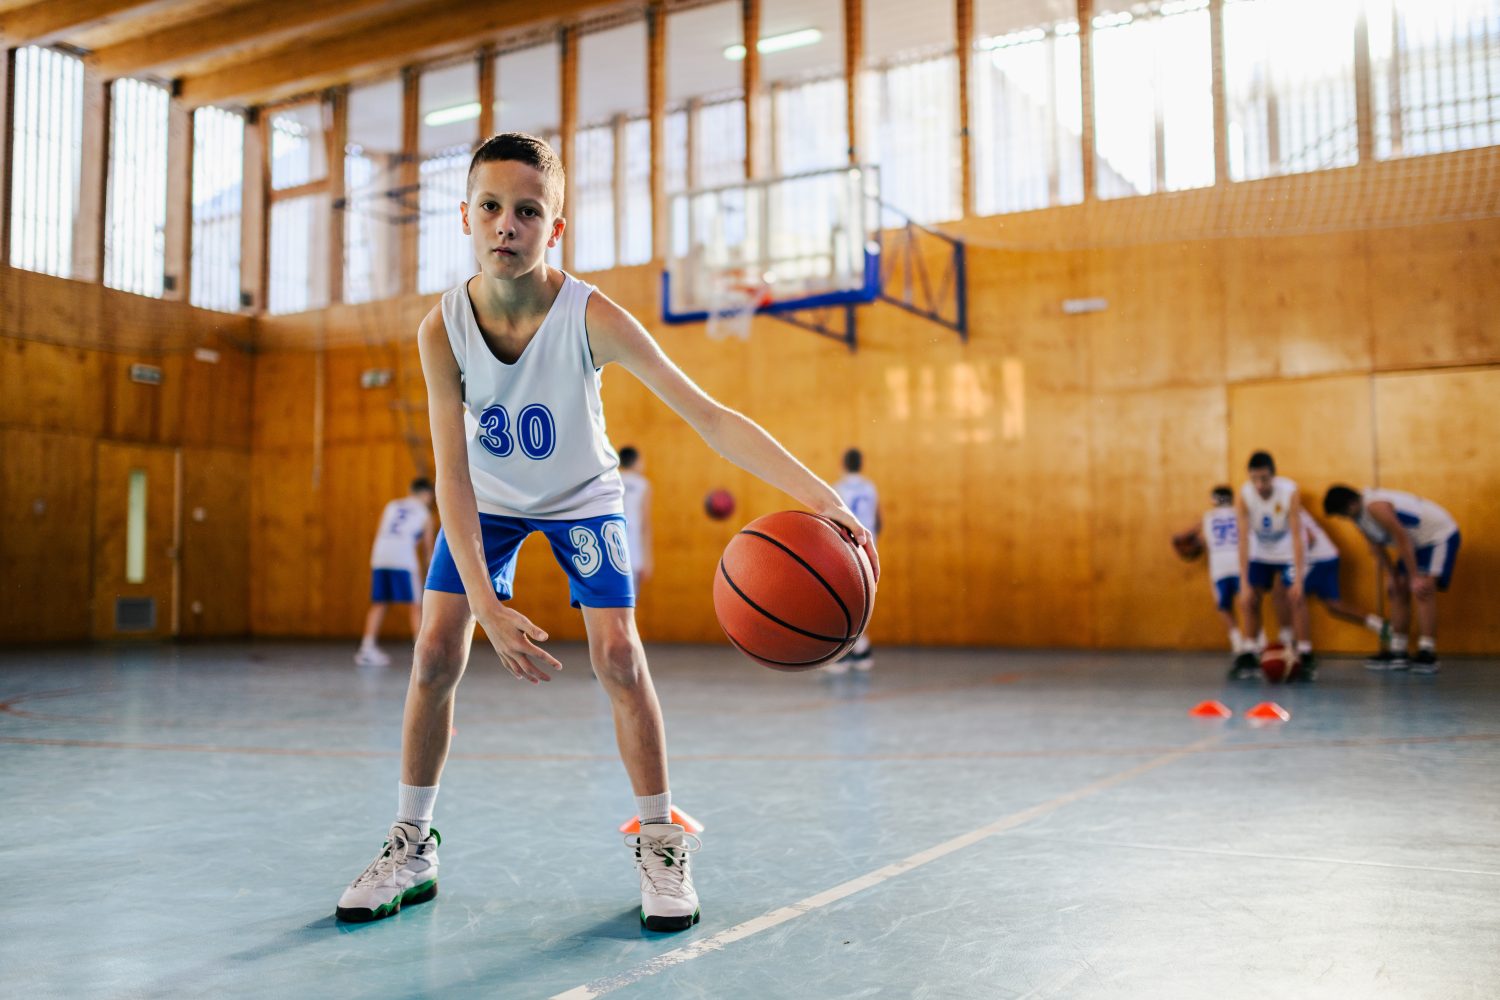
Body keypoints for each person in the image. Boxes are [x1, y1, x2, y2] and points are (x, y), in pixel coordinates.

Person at [335, 134, 878, 931]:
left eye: (527, 211)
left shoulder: (592, 315)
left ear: (554, 229)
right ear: (465, 217)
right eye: (491, 207)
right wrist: (484, 606)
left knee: (620, 658)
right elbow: (450, 473)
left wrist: (824, 496)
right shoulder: (440, 329)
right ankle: (411, 844)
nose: (506, 226)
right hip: (485, 500)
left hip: (583, 496)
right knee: (434, 652)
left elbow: (710, 418)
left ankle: (661, 841)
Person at [1323, 485, 1460, 673]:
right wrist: (1393, 575)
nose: (1344, 517)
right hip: (1415, 544)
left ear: (1352, 502)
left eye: (1343, 512)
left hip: (1437, 536)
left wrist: (1414, 577)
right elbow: (1376, 548)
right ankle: (1398, 650)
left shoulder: (1375, 506)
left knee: (1423, 589)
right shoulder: (1356, 516)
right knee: (1396, 589)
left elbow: (1401, 537)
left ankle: (1427, 652)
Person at [1234, 452, 1310, 680]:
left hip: (1287, 550)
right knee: (1248, 598)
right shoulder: (1244, 495)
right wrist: (1244, 582)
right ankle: (1249, 651)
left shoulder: (1289, 491)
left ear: (1273, 476)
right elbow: (1243, 539)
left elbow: (1297, 535)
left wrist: (1298, 581)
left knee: (1296, 597)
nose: (1259, 485)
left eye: (1264, 479)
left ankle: (1305, 652)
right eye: (1254, 479)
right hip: (1260, 550)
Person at [355, 479, 436, 667]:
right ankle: (421, 652)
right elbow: (428, 549)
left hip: (380, 556)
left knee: (379, 602)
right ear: (427, 495)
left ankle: (366, 648)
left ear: (410, 490)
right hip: (403, 559)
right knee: (416, 605)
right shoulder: (424, 513)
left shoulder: (392, 506)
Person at [1172, 486, 1246, 666]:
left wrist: (1181, 541)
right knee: (1249, 605)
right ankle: (1258, 641)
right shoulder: (1240, 514)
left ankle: (1237, 642)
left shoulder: (1209, 517)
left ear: (1215, 499)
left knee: (1224, 606)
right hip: (1241, 564)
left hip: (1220, 566)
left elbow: (1193, 538)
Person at [828, 447, 880, 673]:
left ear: (843, 463)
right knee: (861, 602)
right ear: (861, 463)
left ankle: (844, 654)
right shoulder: (870, 488)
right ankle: (861, 651)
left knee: (840, 602)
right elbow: (878, 520)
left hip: (846, 549)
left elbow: (831, 521)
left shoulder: (837, 489)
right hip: (868, 549)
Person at [618, 446, 652, 595]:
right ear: (636, 462)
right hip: (632, 551)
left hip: (610, 548)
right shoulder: (643, 484)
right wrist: (647, 559)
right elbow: (645, 524)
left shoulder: (611, 481)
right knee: (629, 604)